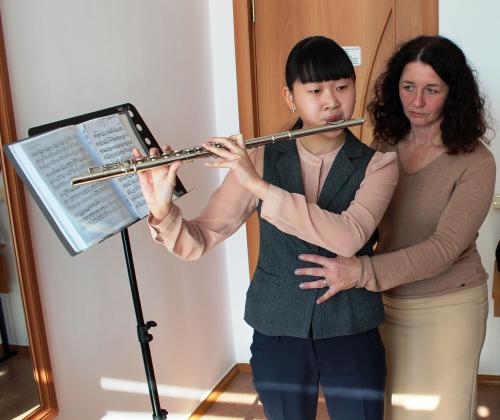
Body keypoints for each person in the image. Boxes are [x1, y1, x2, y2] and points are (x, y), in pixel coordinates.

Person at [135, 36, 399, 420]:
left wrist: (258, 186)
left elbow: (348, 237)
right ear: (290, 97)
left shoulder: (379, 165)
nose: (331, 102)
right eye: (315, 91)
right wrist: (162, 209)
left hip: (350, 326)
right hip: (277, 326)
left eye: (342, 87)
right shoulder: (258, 157)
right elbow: (198, 241)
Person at [295, 35, 496, 420]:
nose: (417, 101)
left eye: (431, 90)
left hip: (448, 307)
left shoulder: (477, 162)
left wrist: (361, 271)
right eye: (408, 87)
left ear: (453, 94)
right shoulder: (384, 144)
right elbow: (364, 221)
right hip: (383, 303)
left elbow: (444, 248)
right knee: (390, 412)